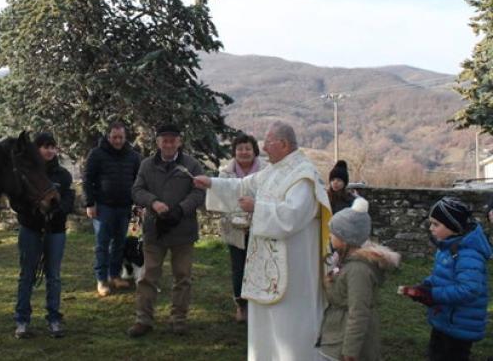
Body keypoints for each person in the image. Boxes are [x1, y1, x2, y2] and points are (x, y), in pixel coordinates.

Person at [193, 121, 332, 361]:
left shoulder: (303, 176)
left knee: (289, 322)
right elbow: (244, 185)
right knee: (265, 320)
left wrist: (257, 207)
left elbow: (292, 216)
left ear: (284, 144)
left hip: (292, 267)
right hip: (266, 264)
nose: (263, 146)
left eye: (268, 141)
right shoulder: (275, 169)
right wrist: (212, 183)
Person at [127, 123, 205, 338]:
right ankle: (143, 320)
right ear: (158, 142)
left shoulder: (192, 165)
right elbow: (137, 190)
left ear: (179, 141)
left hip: (183, 230)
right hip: (154, 230)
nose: (169, 143)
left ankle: (178, 319)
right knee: (148, 277)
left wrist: (181, 209)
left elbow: (199, 193)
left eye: (173, 139)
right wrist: (153, 203)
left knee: (183, 277)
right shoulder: (146, 165)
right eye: (165, 139)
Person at [399, 197, 491, 361]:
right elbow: (442, 276)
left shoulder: (469, 254)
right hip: (444, 319)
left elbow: (469, 289)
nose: (431, 228)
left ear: (453, 226)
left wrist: (433, 295)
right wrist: (425, 286)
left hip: (460, 325)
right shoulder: (447, 246)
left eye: (436, 224)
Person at [317, 197, 400, 361]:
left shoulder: (358, 270)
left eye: (333, 233)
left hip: (343, 343)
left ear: (345, 238)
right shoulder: (347, 263)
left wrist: (350, 351)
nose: (330, 237)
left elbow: (359, 312)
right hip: (336, 335)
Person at [11, 132, 75, 339]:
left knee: (54, 276)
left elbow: (68, 199)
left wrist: (59, 210)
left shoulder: (63, 175)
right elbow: (16, 202)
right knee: (26, 275)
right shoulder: (26, 172)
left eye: (52, 146)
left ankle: (54, 319)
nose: (49, 150)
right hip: (30, 229)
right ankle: (22, 321)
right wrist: (33, 210)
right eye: (45, 146)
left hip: (55, 231)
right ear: (36, 149)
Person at [82, 121, 142, 296]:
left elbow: (138, 182)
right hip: (102, 207)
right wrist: (89, 203)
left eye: (121, 137)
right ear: (108, 137)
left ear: (125, 137)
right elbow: (87, 180)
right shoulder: (97, 154)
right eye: (114, 137)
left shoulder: (133, 156)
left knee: (119, 243)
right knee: (102, 244)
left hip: (124, 207)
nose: (118, 141)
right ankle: (102, 280)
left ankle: (114, 275)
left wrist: (138, 204)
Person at [218, 133, 266, 323]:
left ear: (255, 151)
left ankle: (259, 304)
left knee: (260, 266)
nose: (244, 152)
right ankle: (241, 305)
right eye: (240, 149)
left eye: (248, 148)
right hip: (235, 228)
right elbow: (222, 200)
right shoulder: (225, 173)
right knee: (239, 269)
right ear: (234, 152)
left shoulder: (267, 171)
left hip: (261, 226)